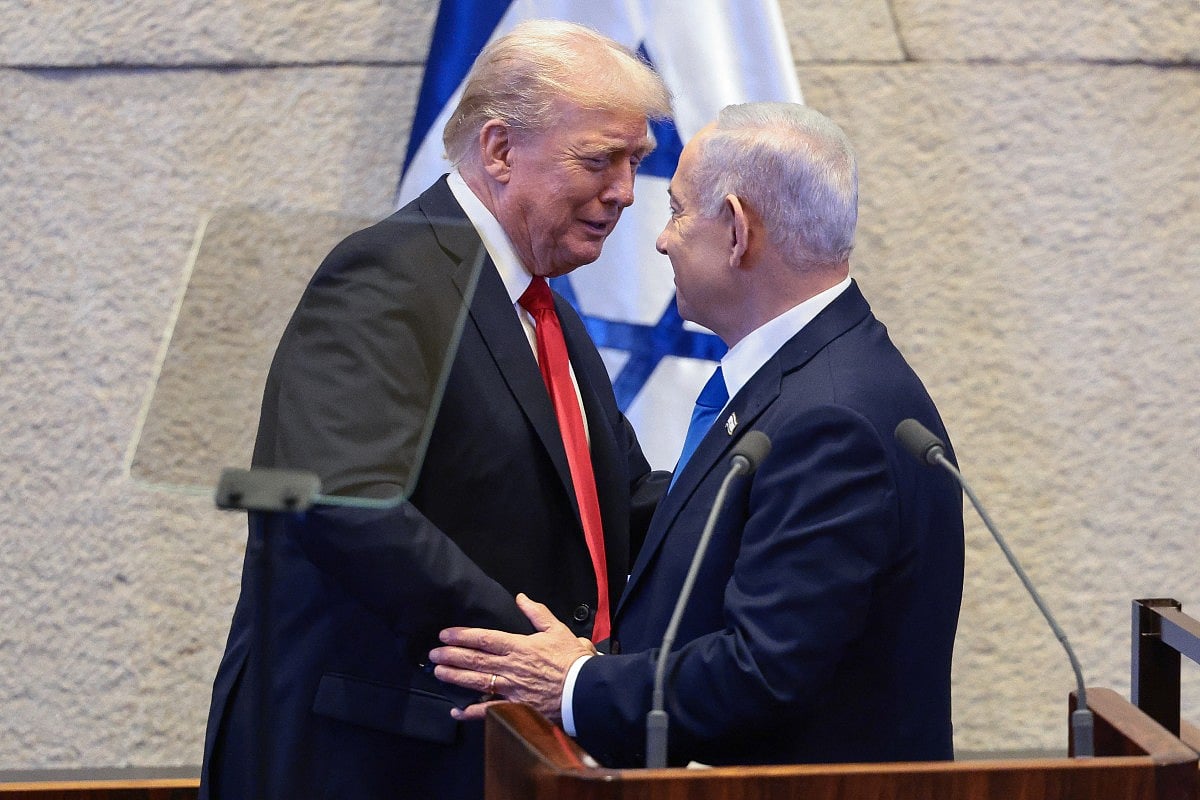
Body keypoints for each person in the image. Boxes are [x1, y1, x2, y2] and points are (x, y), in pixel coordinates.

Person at [199, 20, 672, 800]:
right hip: (368, 760)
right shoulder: (388, 274)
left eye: (636, 163)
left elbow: (617, 504)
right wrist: (536, 657)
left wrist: (760, 512)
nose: (624, 191)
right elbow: (346, 499)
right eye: (599, 159)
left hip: (491, 752)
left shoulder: (545, 310)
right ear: (498, 150)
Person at [429, 102, 965, 768]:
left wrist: (572, 683)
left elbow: (761, 672)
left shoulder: (833, 418)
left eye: (678, 212)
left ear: (737, 230)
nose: (662, 239)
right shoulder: (808, 381)